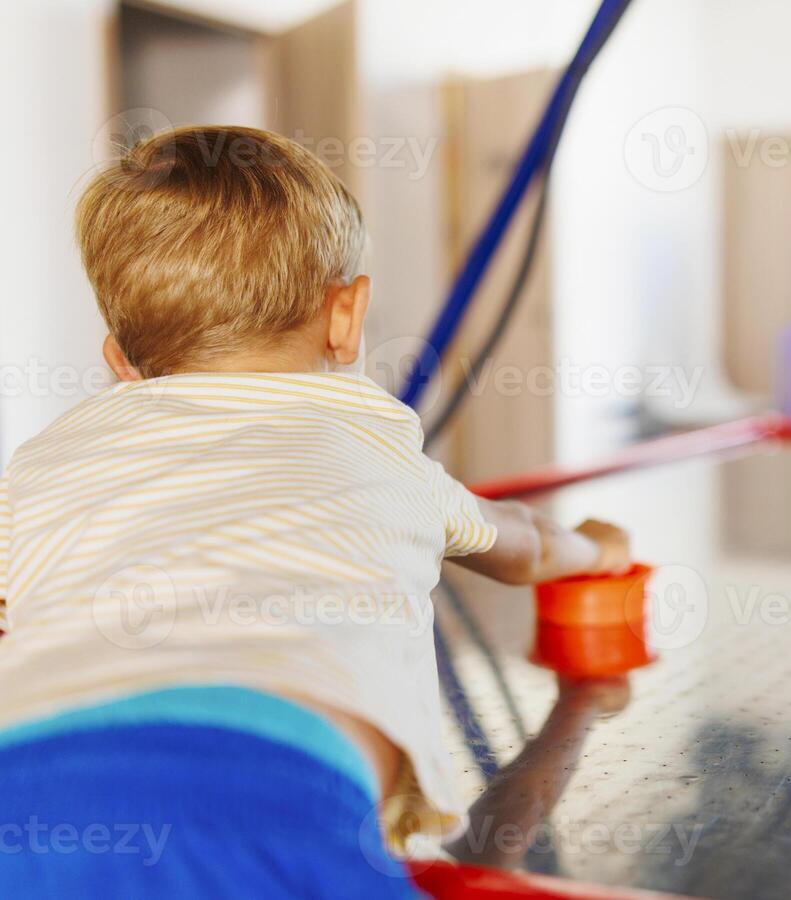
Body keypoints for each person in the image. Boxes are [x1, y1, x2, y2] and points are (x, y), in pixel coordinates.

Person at [0, 126, 630, 896]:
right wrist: (598, 550)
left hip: (26, 780)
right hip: (267, 793)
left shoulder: (45, 458)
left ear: (119, 361)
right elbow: (526, 546)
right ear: (347, 315)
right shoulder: (369, 437)